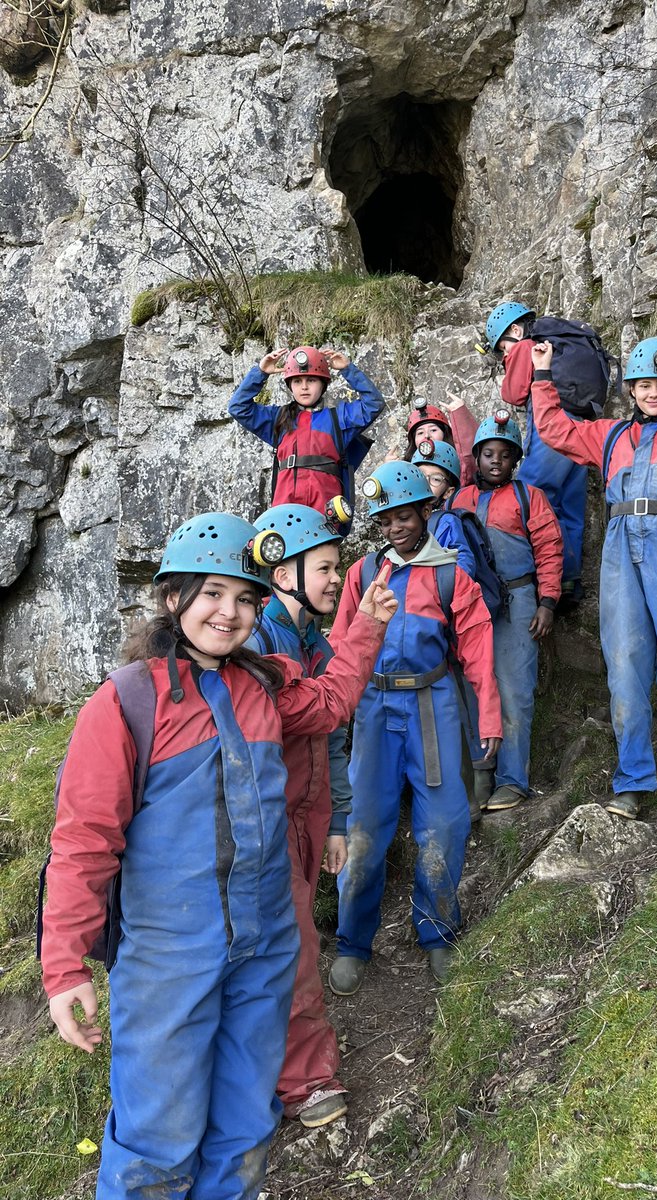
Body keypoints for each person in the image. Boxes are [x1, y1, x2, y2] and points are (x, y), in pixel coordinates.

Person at [40, 511, 396, 1199]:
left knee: (243, 1127)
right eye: (211, 594)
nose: (228, 614)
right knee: (157, 1138)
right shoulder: (126, 703)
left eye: (244, 598)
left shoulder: (263, 685)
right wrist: (64, 967)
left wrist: (367, 627)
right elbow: (84, 841)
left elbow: (329, 705)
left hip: (262, 951)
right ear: (174, 598)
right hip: (170, 961)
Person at [530, 336, 657, 820]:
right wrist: (542, 375)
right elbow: (554, 428)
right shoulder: (608, 435)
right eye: (644, 385)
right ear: (631, 389)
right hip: (622, 547)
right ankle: (633, 777)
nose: (652, 393)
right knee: (624, 659)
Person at [327, 463, 502, 994]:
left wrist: (489, 715)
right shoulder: (362, 574)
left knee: (444, 823)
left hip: (434, 703)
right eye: (385, 519)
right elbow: (340, 642)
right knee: (362, 827)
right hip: (374, 707)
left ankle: (438, 933)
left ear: (427, 511)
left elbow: (477, 650)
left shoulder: (451, 575)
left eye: (404, 515)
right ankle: (353, 940)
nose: (394, 527)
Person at [245, 501, 354, 1130]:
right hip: (266, 821)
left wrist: (337, 820)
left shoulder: (313, 640)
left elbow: (333, 735)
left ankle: (271, 1068)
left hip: (305, 814)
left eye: (337, 567)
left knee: (289, 943)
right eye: (325, 567)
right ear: (283, 574)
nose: (336, 578)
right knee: (296, 949)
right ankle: (307, 1081)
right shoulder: (261, 646)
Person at [451, 411, 563, 812]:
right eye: (488, 454)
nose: (495, 461)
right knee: (472, 688)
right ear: (475, 458)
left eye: (504, 455)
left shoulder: (528, 497)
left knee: (514, 689)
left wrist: (548, 602)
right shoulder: (458, 499)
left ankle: (512, 779)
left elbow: (549, 549)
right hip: (469, 608)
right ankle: (480, 774)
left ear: (515, 460)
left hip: (518, 602)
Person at [484, 301, 589, 607]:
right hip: (582, 430)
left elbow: (513, 393)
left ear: (515, 330)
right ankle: (569, 582)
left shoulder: (525, 345)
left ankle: (533, 579)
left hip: (552, 428)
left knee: (530, 497)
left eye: (503, 347)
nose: (505, 353)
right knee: (569, 508)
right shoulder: (559, 344)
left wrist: (511, 361)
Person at [228, 344, 384, 514]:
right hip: (286, 513)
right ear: (290, 386)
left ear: (322, 384)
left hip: (327, 512)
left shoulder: (338, 419)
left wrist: (348, 369)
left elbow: (373, 404)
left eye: (311, 380)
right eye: (297, 381)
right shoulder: (278, 419)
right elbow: (238, 408)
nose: (304, 387)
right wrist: (261, 372)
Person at [411, 439, 476, 578]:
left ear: (448, 492)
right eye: (420, 474)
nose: (425, 483)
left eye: (435, 479)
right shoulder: (404, 516)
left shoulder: (446, 522)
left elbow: (463, 564)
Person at [403, 397, 480, 486]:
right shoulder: (407, 469)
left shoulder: (457, 460)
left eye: (433, 430)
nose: (427, 435)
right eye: (420, 433)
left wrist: (460, 416)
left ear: (445, 433)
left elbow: (470, 462)